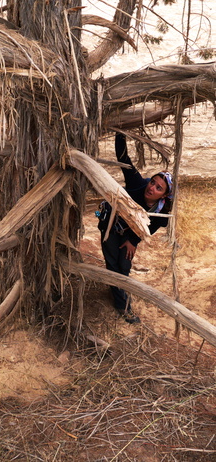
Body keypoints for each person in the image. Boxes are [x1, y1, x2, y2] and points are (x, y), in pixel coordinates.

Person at [97, 132, 173, 324]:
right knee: (114, 265)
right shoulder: (138, 184)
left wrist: (133, 241)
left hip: (130, 234)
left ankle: (117, 288)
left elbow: (152, 227)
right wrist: (120, 132)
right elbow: (124, 158)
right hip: (111, 226)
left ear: (163, 196)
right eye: (153, 182)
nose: (152, 188)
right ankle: (123, 306)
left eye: (158, 188)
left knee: (125, 265)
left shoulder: (160, 210)